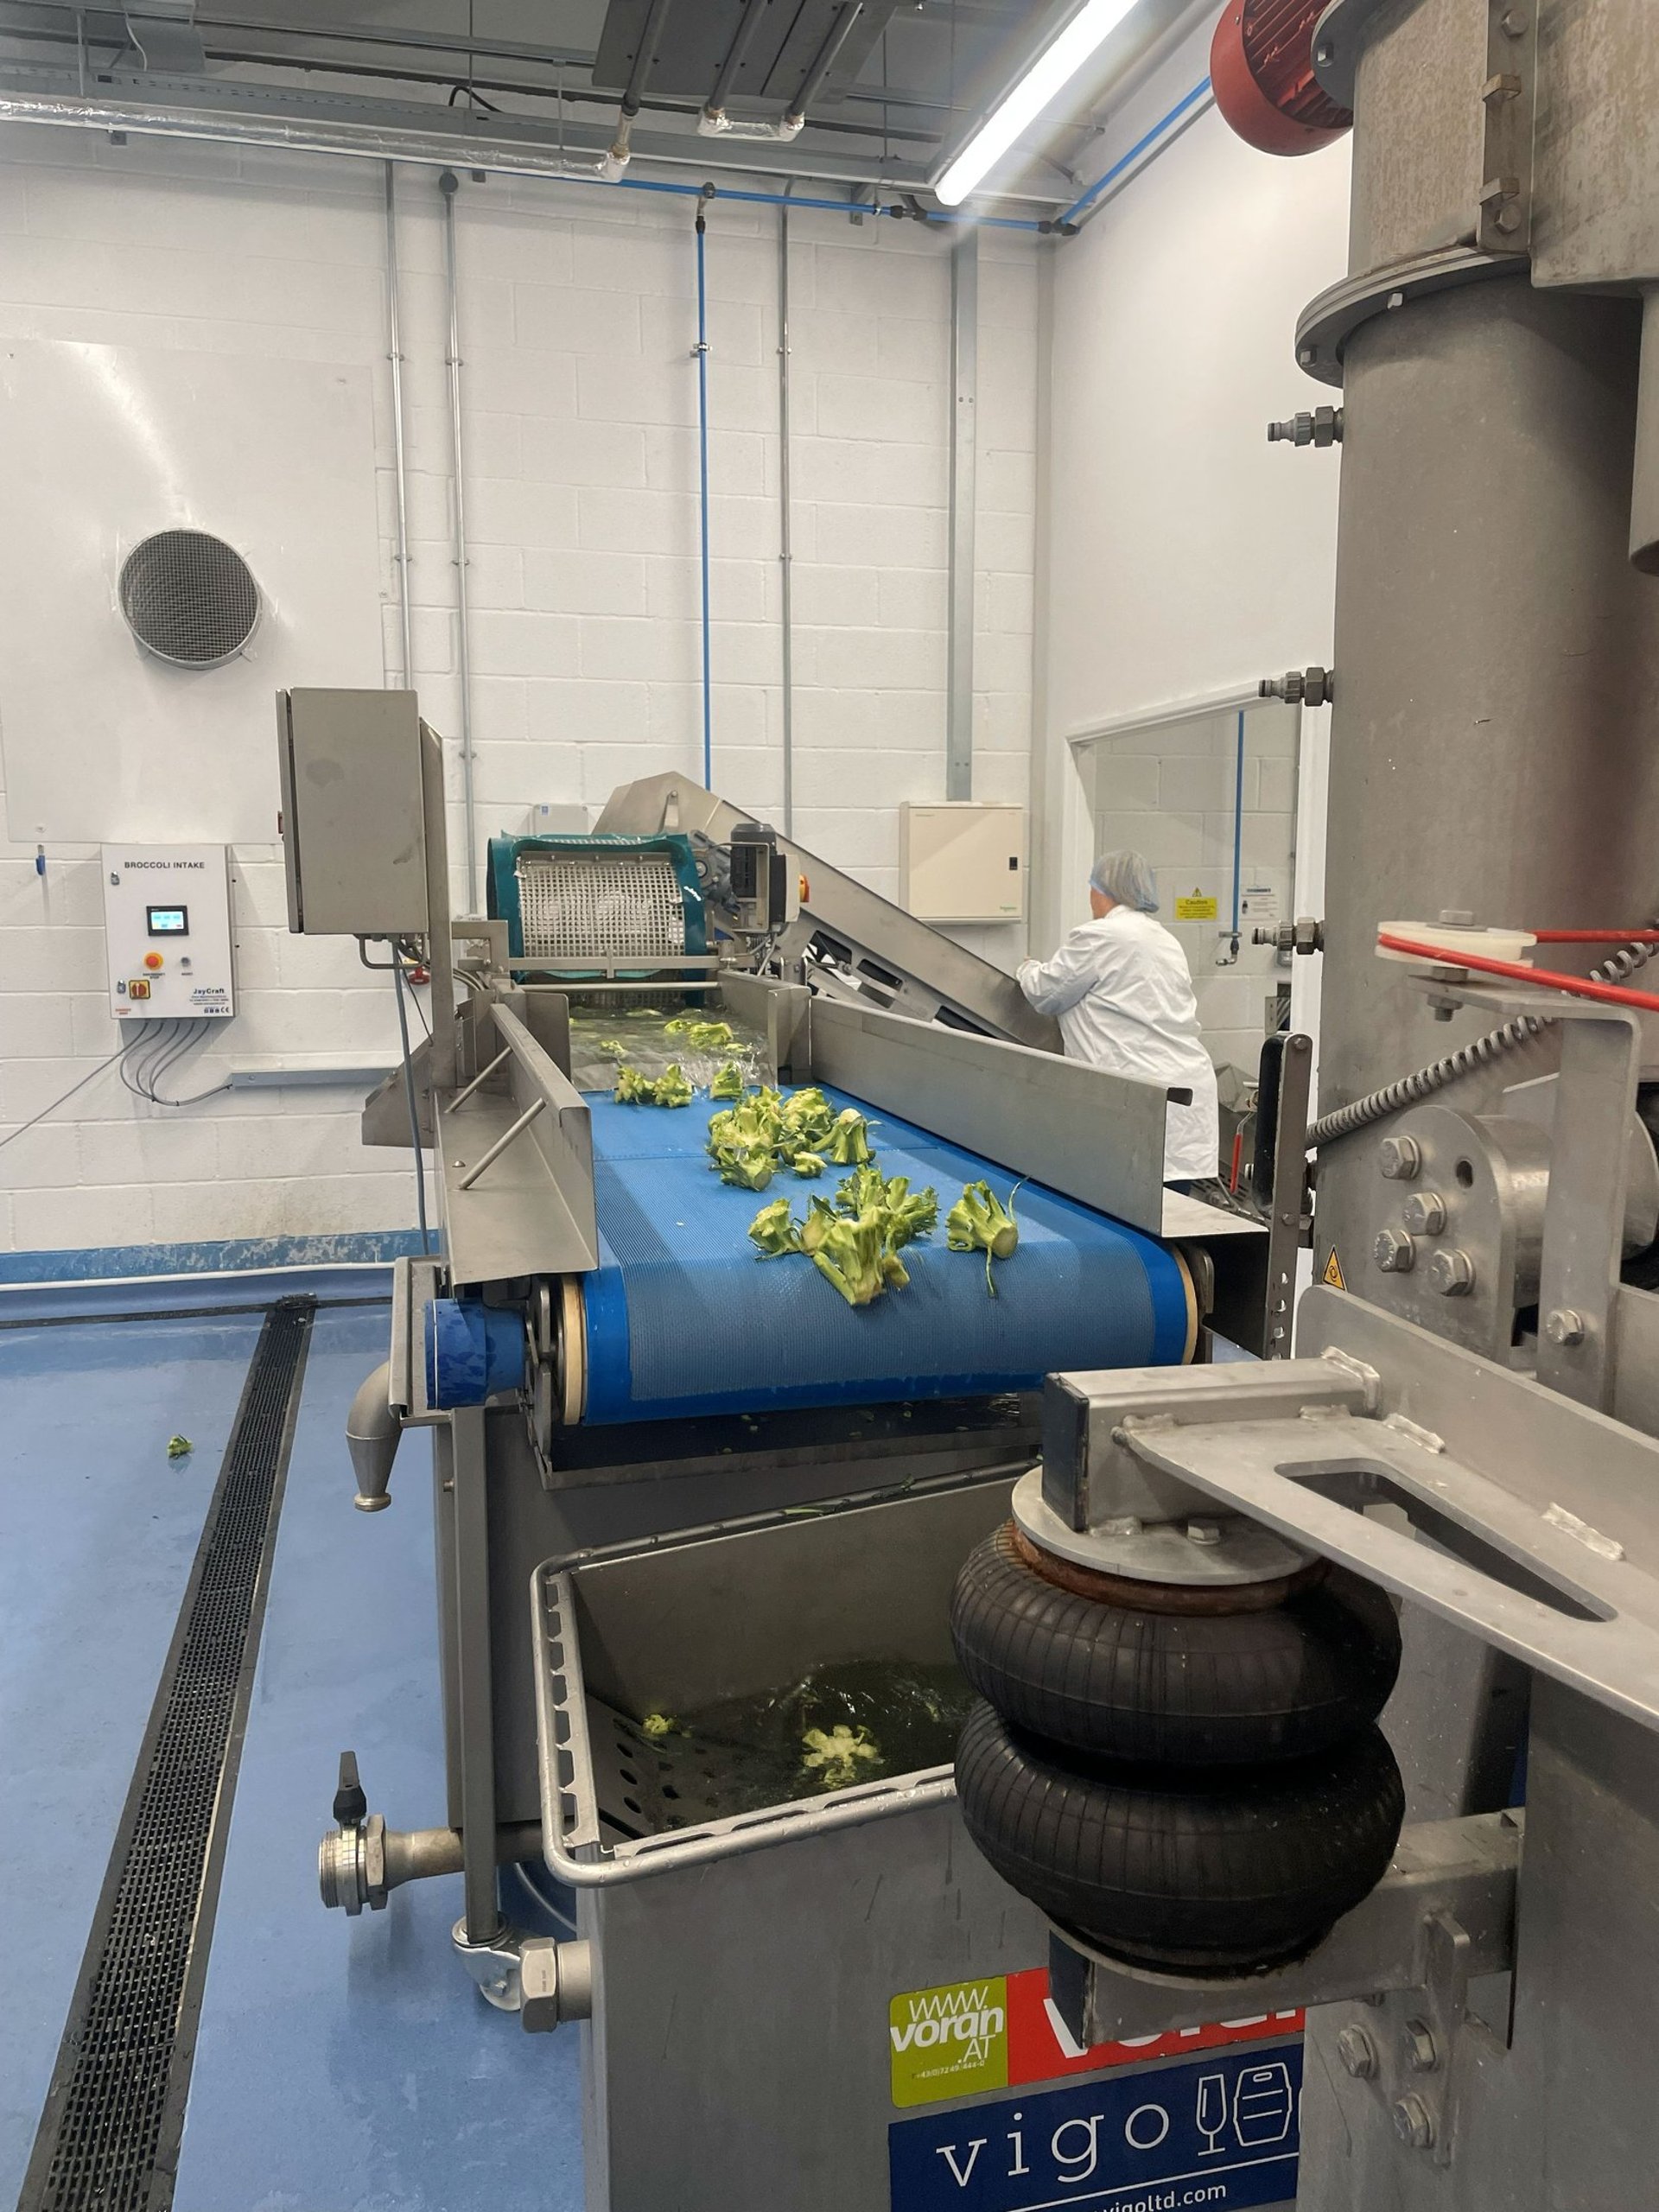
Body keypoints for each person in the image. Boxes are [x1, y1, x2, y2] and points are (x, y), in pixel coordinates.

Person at [1016, 849, 1220, 1185]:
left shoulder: (1100, 936)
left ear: (1102, 891)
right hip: (1184, 1088)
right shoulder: (1165, 940)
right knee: (1171, 1202)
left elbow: (1046, 993)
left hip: (1137, 1093)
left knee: (1130, 1202)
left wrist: (1027, 967)